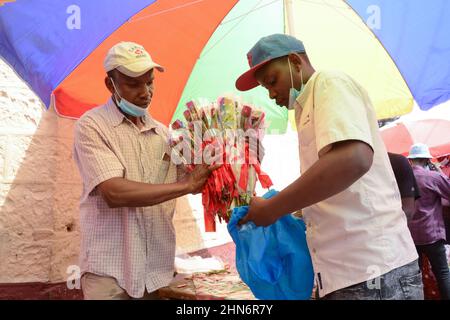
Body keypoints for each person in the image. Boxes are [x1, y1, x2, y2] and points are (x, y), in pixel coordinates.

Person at [235, 34, 422, 300]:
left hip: (374, 268)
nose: (272, 93)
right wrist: (296, 214)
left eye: (273, 81)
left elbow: (353, 159)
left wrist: (273, 209)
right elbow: (333, 190)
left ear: (294, 62)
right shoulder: (305, 108)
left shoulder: (330, 83)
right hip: (344, 274)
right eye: (266, 88)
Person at [73, 42, 217, 300]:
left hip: (154, 274)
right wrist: (186, 185)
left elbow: (196, 178)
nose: (145, 92)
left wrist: (222, 155)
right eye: (133, 84)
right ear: (110, 85)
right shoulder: (91, 126)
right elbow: (114, 193)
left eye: (149, 82)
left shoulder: (166, 134)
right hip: (109, 276)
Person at [407, 143, 450, 299]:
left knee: (415, 276)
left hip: (410, 236)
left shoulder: (402, 179)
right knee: (443, 273)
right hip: (431, 233)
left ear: (410, 161)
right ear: (427, 160)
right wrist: (439, 171)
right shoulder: (433, 177)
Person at [388, 152, 421, 221]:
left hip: (408, 226)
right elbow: (408, 212)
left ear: (410, 159)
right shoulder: (398, 162)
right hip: (428, 227)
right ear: (426, 160)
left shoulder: (397, 162)